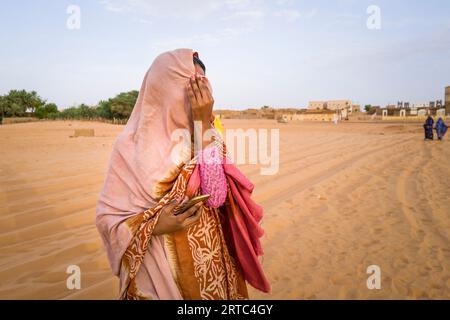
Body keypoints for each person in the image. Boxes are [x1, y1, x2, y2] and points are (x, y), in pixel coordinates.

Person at [96, 49, 270, 300]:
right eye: (192, 88)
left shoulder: (206, 135)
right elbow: (107, 218)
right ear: (163, 89)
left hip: (210, 269)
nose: (201, 99)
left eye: (204, 88)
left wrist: (202, 124)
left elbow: (216, 196)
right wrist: (154, 225)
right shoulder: (128, 148)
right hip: (158, 269)